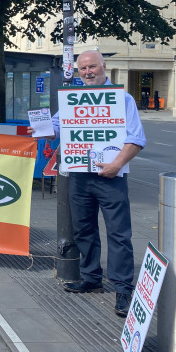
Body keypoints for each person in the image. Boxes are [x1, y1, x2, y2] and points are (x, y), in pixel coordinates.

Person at [35, 50, 145, 318]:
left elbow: (136, 138)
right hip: (80, 176)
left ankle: (122, 288)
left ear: (103, 66)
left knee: (119, 233)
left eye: (92, 67)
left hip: (111, 176)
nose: (88, 72)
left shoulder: (123, 98)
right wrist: (38, 128)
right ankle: (92, 278)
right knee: (84, 229)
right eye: (83, 69)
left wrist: (117, 164)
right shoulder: (74, 99)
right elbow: (57, 127)